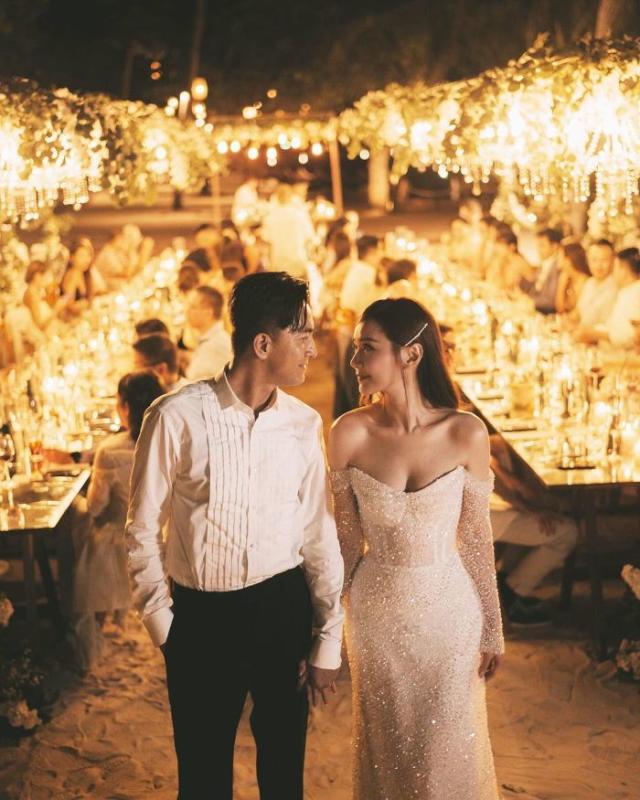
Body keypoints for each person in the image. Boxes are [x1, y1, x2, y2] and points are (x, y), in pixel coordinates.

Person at [126, 271, 344, 800]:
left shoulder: (302, 424)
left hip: (282, 607)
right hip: (202, 620)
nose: (313, 349)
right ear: (263, 343)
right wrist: (164, 625)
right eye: (303, 335)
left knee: (283, 773)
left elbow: (318, 529)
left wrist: (327, 639)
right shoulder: (176, 416)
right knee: (202, 778)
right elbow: (140, 527)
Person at [329, 297, 503, 799]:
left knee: (447, 748)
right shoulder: (348, 433)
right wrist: (327, 628)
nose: (354, 361)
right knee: (389, 748)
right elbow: (342, 539)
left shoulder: (465, 432)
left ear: (411, 354)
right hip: (375, 615)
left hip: (450, 614)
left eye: (367, 349)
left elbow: (475, 539)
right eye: (357, 349)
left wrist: (492, 627)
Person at [72, 370, 164, 669]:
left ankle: (99, 620)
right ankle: (116, 616)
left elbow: (96, 507)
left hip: (116, 542)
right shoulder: (167, 442)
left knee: (78, 519)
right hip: (160, 539)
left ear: (125, 407)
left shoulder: (109, 451)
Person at [577, 247, 640, 348]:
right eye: (594, 260)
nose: (613, 272)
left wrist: (592, 333)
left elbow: (627, 336)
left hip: (621, 357)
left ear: (623, 270)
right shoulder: (627, 291)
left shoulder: (634, 293)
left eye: (614, 267)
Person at [261, 184, 315, 279]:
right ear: (291, 197)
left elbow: (267, 245)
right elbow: (309, 240)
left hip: (278, 265)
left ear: (277, 197)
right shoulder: (301, 216)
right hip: (298, 263)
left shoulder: (270, 218)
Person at [183, 286, 232, 381]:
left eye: (192, 306)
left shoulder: (218, 344)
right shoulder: (209, 340)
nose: (186, 310)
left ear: (208, 313)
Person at [573, 239, 618, 328]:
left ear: (613, 261)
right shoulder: (589, 283)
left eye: (604, 260)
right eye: (594, 260)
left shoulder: (616, 287)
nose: (598, 265)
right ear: (587, 261)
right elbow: (577, 313)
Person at [520, 228, 563, 314]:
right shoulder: (544, 263)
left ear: (554, 246)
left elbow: (550, 301)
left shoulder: (557, 267)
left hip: (546, 313)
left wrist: (530, 302)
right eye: (538, 245)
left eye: (542, 245)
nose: (538, 249)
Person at [555, 242, 590, 314]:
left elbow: (579, 313)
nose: (557, 258)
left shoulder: (583, 281)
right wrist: (561, 286)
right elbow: (559, 309)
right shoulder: (566, 277)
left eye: (559, 255)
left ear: (569, 260)